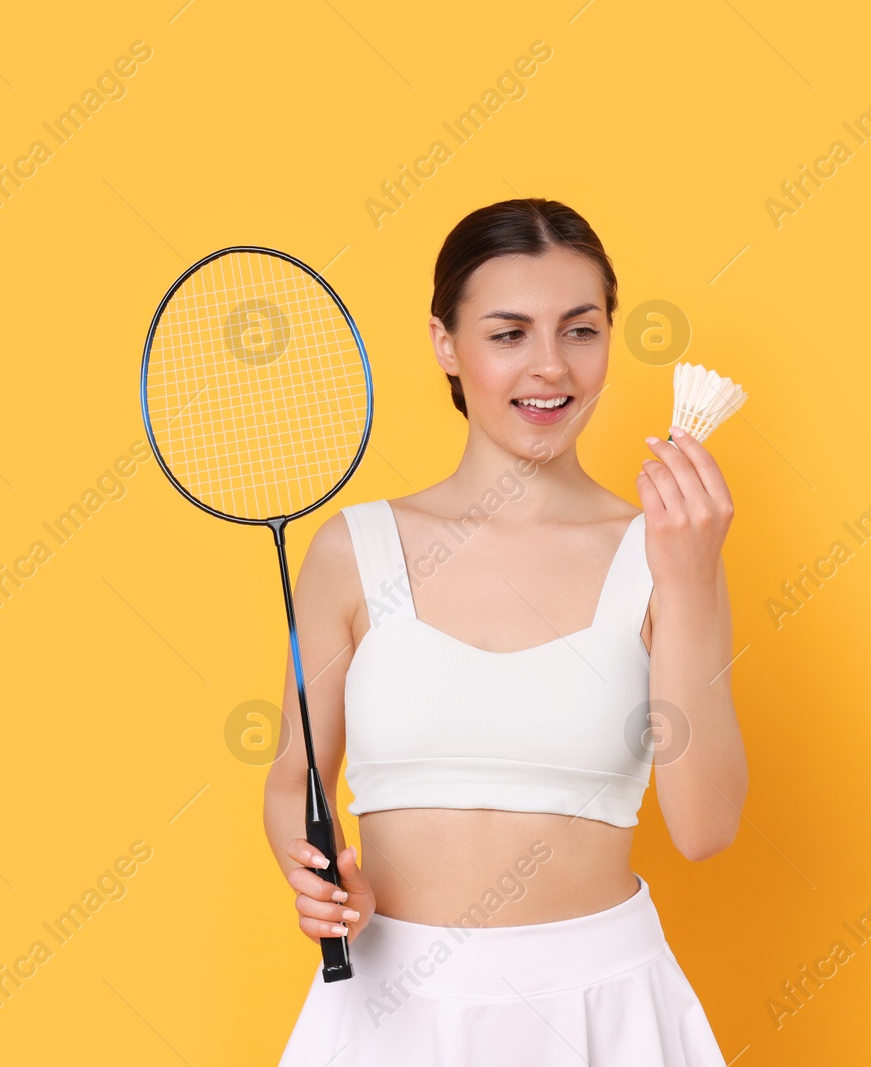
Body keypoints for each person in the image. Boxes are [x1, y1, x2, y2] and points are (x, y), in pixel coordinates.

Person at [264, 197, 748, 1064]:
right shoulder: (351, 549)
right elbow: (295, 773)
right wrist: (313, 869)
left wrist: (688, 579)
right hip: (385, 1007)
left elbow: (705, 827)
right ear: (446, 343)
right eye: (508, 333)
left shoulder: (663, 554)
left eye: (580, 329)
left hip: (606, 1010)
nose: (551, 368)